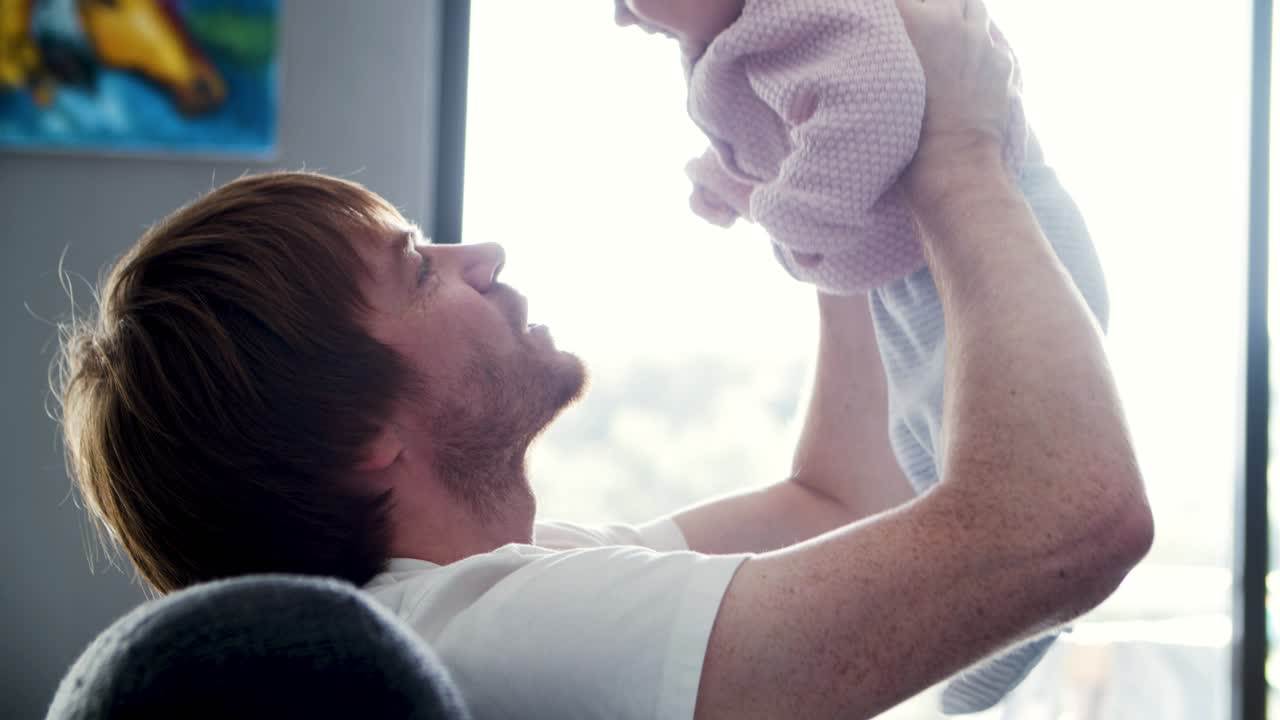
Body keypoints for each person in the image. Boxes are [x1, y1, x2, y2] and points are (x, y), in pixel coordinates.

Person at [55, 1, 1152, 719]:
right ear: (360, 437)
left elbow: (836, 500)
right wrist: (959, 154)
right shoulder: (500, 640)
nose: (480, 255)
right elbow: (1066, 524)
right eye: (419, 272)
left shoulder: (490, 593)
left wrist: (828, 194)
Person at [616, 0, 1109, 711]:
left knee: (993, 461)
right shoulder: (748, 34)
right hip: (921, 267)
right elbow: (807, 131)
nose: (624, 15)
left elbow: (876, 106)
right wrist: (740, 183)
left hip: (1005, 245)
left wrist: (780, 212)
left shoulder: (807, 10)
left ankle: (1028, 592)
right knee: (923, 451)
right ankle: (1004, 601)